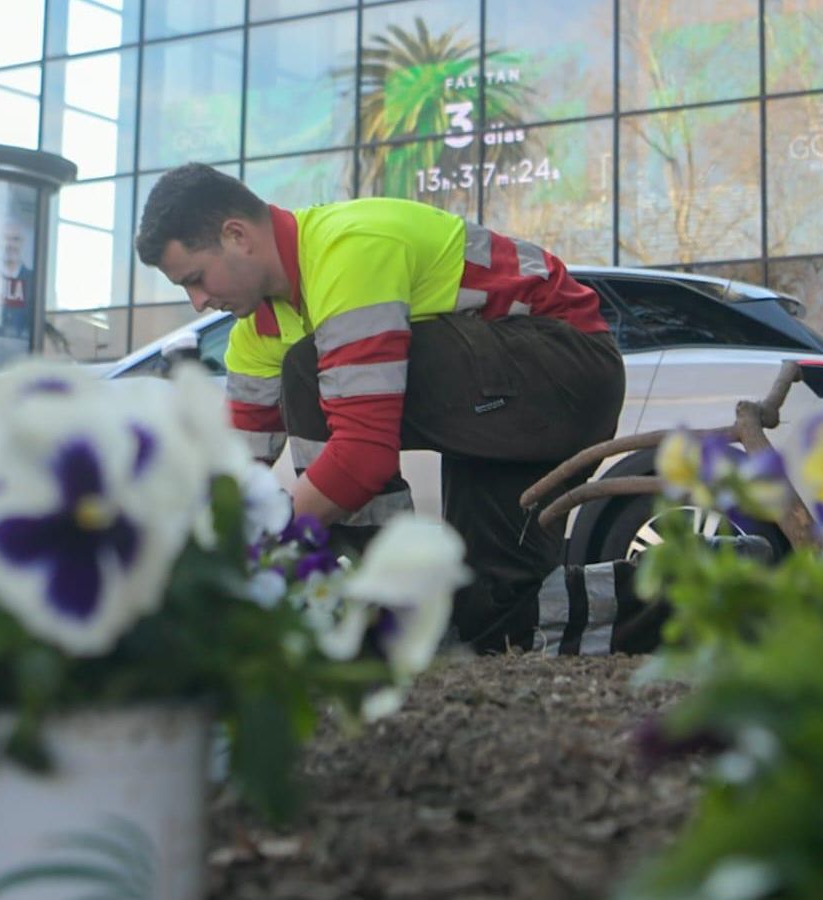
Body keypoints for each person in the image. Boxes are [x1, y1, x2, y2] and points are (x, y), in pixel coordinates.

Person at [135, 163, 625, 654]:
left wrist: (266, 546)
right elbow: (232, 477)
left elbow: (362, 455)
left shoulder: (350, 251)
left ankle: (389, 606)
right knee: (496, 616)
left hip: (567, 368)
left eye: (196, 278)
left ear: (236, 235)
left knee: (308, 367)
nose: (197, 302)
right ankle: (684, 595)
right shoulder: (255, 333)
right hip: (501, 406)